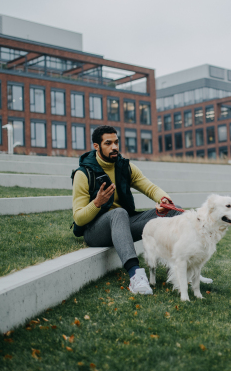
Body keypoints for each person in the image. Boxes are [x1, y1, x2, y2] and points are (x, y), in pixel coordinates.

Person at [72, 125, 211, 295]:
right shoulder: (83, 173)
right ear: (96, 146)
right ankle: (135, 275)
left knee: (175, 211)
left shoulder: (124, 166)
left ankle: (179, 270)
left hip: (123, 225)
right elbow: (79, 219)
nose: (114, 147)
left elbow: (150, 188)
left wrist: (164, 201)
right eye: (108, 143)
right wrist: (97, 203)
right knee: (118, 212)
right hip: (95, 231)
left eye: (116, 142)